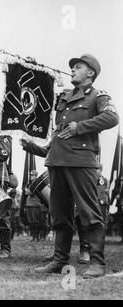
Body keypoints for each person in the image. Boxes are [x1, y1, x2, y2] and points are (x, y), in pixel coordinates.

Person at [22, 54, 119, 278]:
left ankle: (97, 262)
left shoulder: (98, 96)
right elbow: (56, 134)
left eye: (78, 67)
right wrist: (33, 71)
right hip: (57, 161)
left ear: (91, 73)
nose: (72, 70)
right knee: (60, 215)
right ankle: (59, 261)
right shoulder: (64, 97)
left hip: (81, 162)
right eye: (73, 67)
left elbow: (112, 118)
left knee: (89, 212)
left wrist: (80, 127)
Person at [25, 170, 42, 241]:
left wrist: (26, 189)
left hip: (35, 204)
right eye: (30, 175)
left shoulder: (37, 183)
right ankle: (33, 237)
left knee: (35, 221)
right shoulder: (30, 184)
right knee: (31, 221)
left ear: (36, 176)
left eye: (32, 175)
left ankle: (36, 237)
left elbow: (31, 193)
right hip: (29, 204)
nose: (30, 176)